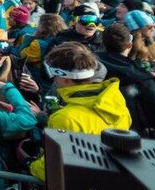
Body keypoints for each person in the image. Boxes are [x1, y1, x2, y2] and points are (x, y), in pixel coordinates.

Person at [29, 42, 132, 181]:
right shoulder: (116, 102)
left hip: (75, 189)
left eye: (52, 73)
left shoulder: (65, 118)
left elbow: (52, 168)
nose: (52, 78)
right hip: (109, 180)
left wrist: (31, 165)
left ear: (64, 78)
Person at [96, 23, 155, 137]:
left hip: (94, 126)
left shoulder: (90, 65)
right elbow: (152, 111)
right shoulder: (142, 77)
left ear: (103, 42)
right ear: (129, 45)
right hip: (130, 131)